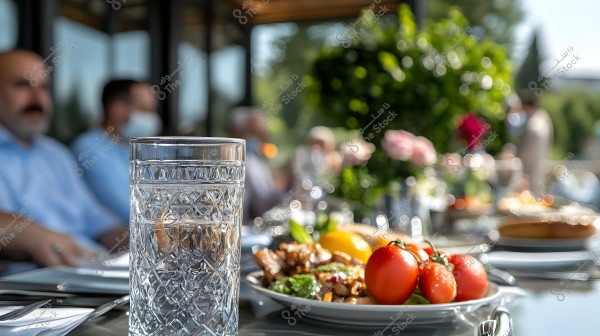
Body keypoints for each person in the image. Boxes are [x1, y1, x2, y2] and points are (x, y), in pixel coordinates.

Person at [0, 49, 128, 271]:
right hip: (31, 289)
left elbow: (95, 220)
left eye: (44, 88)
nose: (37, 99)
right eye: (22, 85)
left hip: (90, 272)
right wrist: (28, 233)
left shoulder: (56, 154)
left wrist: (145, 244)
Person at [72, 80, 160, 223]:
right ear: (117, 109)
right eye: (144, 110)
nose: (152, 118)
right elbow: (127, 210)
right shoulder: (90, 149)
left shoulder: (137, 148)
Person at [229, 107, 286, 223]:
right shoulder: (247, 163)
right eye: (254, 133)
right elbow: (264, 204)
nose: (261, 140)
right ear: (235, 133)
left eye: (263, 134)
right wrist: (284, 184)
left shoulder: (256, 161)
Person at [515, 89, 553, 193]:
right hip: (539, 176)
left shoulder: (533, 125)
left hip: (529, 181)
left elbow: (526, 157)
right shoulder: (544, 118)